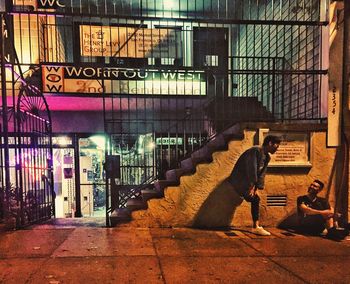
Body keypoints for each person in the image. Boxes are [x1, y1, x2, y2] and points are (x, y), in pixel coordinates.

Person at [226, 135, 281, 236]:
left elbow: (261, 173)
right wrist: (251, 186)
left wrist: (257, 188)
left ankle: (256, 226)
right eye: (276, 146)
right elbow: (251, 169)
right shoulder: (255, 151)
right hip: (239, 181)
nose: (277, 149)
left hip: (248, 183)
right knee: (255, 199)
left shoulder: (267, 156)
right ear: (270, 143)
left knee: (256, 198)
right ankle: (256, 227)